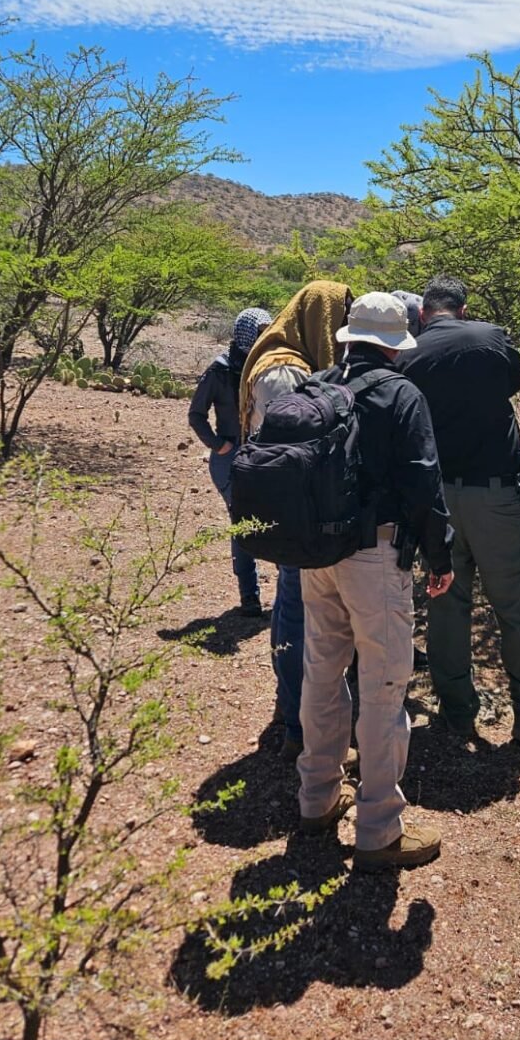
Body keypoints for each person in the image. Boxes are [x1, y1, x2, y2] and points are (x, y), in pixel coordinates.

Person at [297, 291, 453, 869]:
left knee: (322, 672)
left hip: (318, 556)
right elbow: (423, 483)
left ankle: (315, 800)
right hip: (377, 557)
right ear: (396, 342)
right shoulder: (400, 393)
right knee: (384, 691)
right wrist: (441, 557)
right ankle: (379, 830)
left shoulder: (317, 385)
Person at [396, 275, 520, 745]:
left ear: (424, 314)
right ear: (464, 310)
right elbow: (514, 381)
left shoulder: (406, 354)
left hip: (437, 500)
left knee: (447, 603)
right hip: (495, 495)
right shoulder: (492, 338)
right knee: (517, 603)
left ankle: (457, 711)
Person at [238, 280, 353, 760]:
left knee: (296, 607)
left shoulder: (283, 357)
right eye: (339, 314)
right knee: (296, 610)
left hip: (288, 504)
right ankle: (298, 718)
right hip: (296, 507)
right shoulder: (286, 370)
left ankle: (296, 711)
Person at [188, 307, 272, 616]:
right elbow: (196, 415)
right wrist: (218, 444)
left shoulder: (265, 367)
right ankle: (249, 595)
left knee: (271, 518)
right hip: (231, 456)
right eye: (260, 330)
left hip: (262, 454)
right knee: (242, 523)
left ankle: (287, 588)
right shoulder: (220, 369)